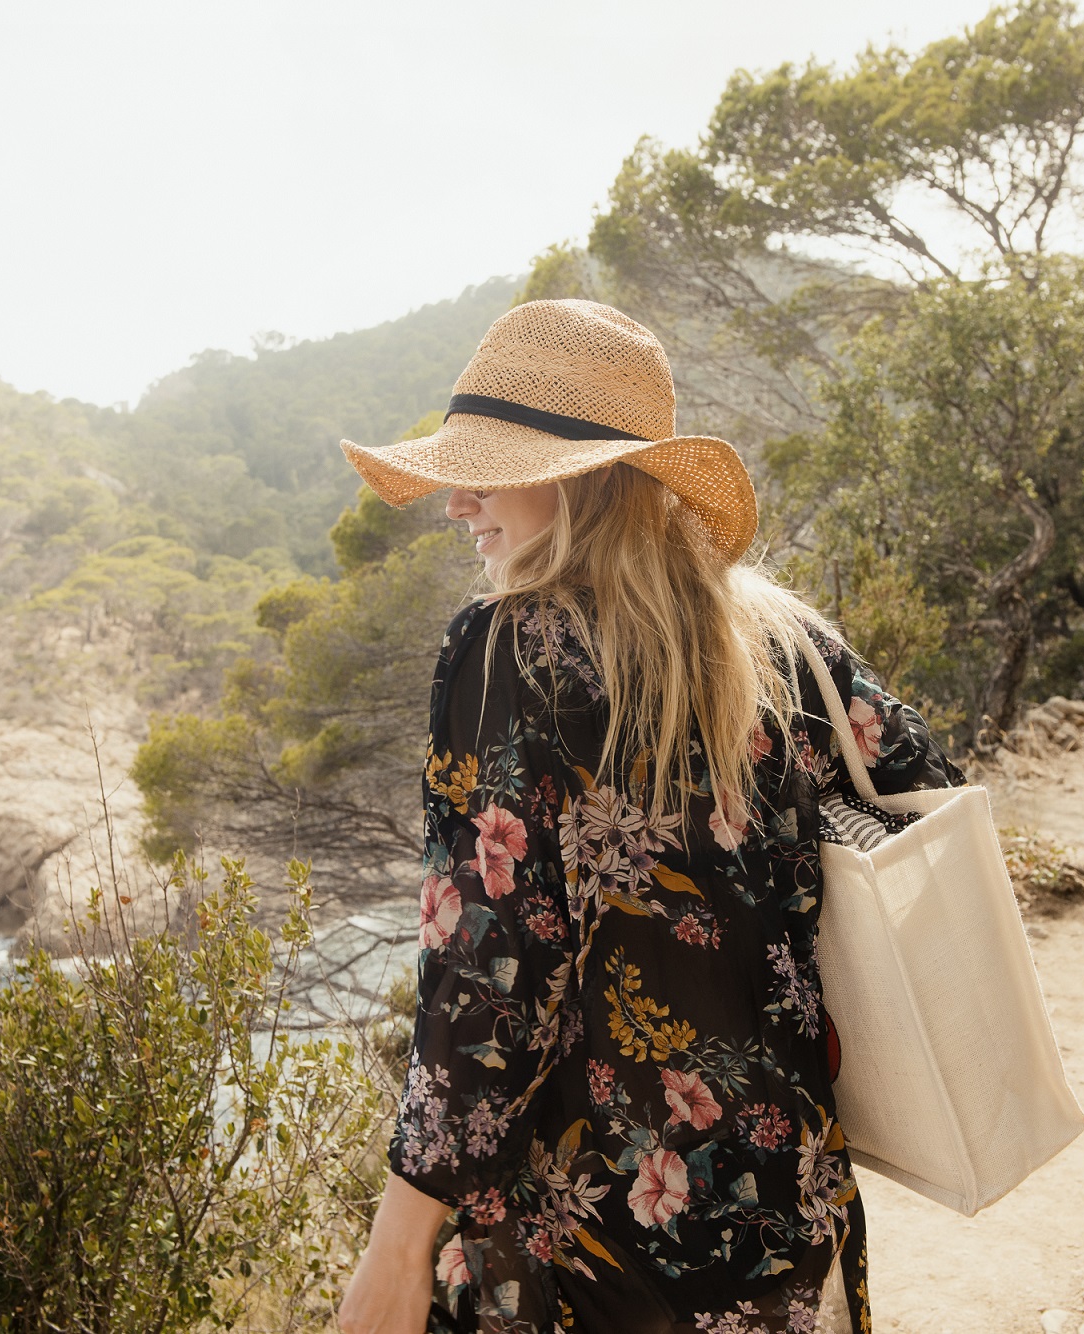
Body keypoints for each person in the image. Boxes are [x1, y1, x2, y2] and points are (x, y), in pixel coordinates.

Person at [335, 300, 963, 1334]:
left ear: (577, 478)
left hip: (584, 1252)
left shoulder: (508, 651)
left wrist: (397, 1248)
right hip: (783, 1215)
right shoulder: (777, 635)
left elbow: (489, 980)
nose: (457, 501)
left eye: (487, 466)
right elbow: (921, 796)